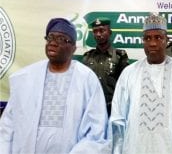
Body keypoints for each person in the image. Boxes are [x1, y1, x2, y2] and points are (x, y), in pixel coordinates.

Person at [0, 18, 108, 153]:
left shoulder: (86, 79)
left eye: (61, 39)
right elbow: (8, 125)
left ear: (73, 48)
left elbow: (96, 132)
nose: (53, 43)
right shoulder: (26, 78)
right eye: (50, 37)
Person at [110, 13, 172, 154]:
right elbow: (118, 119)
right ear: (142, 41)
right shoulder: (129, 73)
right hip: (134, 147)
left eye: (158, 37)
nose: (152, 43)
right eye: (147, 38)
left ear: (167, 40)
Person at [82, 17, 128, 116]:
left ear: (110, 32)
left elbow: (125, 87)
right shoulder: (87, 57)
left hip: (113, 110)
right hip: (91, 110)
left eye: (102, 30)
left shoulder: (119, 57)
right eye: (95, 31)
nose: (98, 34)